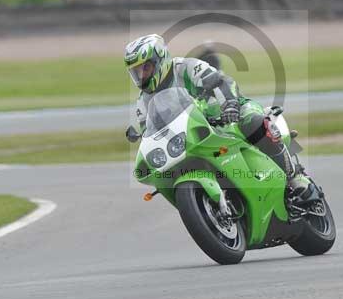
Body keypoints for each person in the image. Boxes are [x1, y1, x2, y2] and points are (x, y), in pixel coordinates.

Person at [124, 33, 314, 203]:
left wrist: (230, 104)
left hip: (227, 113)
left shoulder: (185, 67)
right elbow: (150, 130)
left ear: (160, 59)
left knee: (254, 122)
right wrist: (143, 138)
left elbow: (221, 81)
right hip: (193, 135)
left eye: (145, 68)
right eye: (136, 72)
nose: (141, 76)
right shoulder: (143, 103)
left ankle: (294, 178)